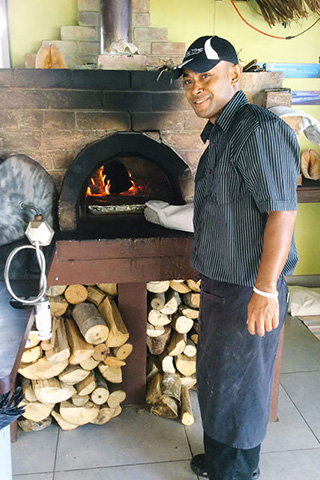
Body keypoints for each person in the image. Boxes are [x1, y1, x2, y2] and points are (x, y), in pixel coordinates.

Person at [172, 36, 300, 480]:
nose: (195, 89)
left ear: (234, 74)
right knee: (219, 380)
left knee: (241, 388)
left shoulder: (257, 130)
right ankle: (223, 460)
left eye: (205, 76)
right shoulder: (223, 136)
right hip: (223, 285)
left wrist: (265, 290)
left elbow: (282, 213)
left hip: (250, 286)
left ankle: (237, 472)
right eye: (189, 81)